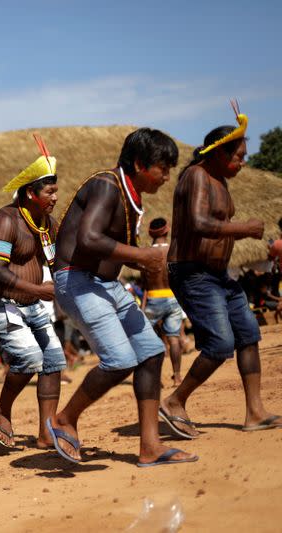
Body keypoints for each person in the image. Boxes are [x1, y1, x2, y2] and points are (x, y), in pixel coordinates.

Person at [46, 128, 197, 467]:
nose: (166, 176)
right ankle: (63, 419)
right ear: (141, 164)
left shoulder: (131, 197)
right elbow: (87, 239)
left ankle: (150, 446)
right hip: (76, 280)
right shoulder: (106, 185)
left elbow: (116, 252)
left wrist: (152, 256)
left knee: (151, 353)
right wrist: (144, 256)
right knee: (119, 359)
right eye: (163, 168)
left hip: (105, 284)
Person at [161, 103, 281, 437]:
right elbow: (199, 223)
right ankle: (174, 401)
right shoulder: (196, 175)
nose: (243, 161)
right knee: (219, 343)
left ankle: (255, 412)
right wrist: (243, 228)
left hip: (217, 275)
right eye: (239, 155)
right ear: (217, 154)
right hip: (192, 272)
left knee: (248, 335)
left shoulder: (219, 181)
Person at [0, 135, 65, 450]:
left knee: (54, 360)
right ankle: (1, 410)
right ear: (30, 193)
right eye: (49, 191)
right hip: (1, 301)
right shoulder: (5, 221)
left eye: (56, 190)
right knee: (29, 358)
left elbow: (56, 264)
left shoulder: (46, 223)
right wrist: (38, 289)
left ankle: (46, 432)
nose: (55, 197)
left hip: (33, 302)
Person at [141, 218, 186, 387]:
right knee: (174, 338)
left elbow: (144, 284)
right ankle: (177, 376)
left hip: (153, 297)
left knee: (149, 339)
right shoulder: (174, 251)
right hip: (173, 297)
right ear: (167, 231)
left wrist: (143, 306)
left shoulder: (145, 254)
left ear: (151, 233)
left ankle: (155, 379)